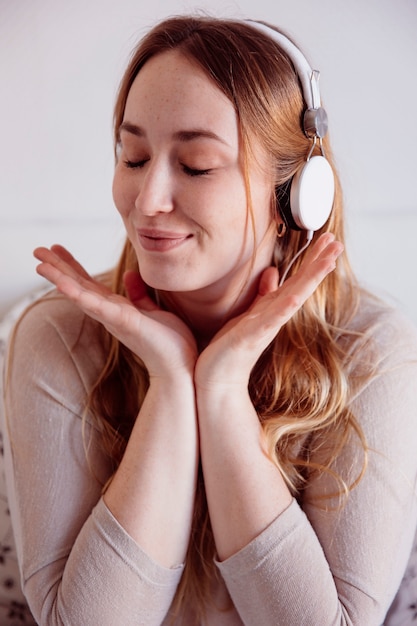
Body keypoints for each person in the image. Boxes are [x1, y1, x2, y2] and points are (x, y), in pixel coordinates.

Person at [2, 14, 417, 626]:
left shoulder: (371, 349)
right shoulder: (58, 338)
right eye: (134, 155)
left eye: (195, 165)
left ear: (296, 197)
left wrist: (220, 391)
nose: (146, 201)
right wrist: (171, 381)